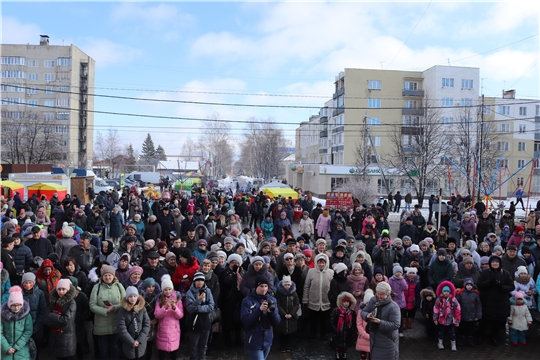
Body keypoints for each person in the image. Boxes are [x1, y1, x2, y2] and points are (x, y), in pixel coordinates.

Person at [90, 264, 126, 360]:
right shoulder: (96, 287)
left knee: (115, 348)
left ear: (113, 276)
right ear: (102, 276)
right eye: (105, 275)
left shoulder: (119, 286)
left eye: (110, 275)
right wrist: (105, 311)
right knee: (104, 350)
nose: (107, 277)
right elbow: (92, 305)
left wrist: (115, 307)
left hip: (116, 323)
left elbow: (125, 302)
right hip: (101, 325)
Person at [240, 275, 281, 360]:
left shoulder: (272, 300)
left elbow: (277, 321)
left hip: (267, 340)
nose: (264, 289)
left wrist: (271, 313)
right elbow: (245, 321)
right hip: (254, 340)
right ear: (256, 287)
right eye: (261, 286)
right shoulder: (247, 301)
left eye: (266, 286)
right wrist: (259, 310)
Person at [476, 255, 514, 345]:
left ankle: (494, 337)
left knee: (497, 322)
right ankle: (480, 335)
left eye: (497, 262)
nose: (495, 264)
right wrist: (489, 282)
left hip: (500, 302)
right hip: (487, 301)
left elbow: (511, 286)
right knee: (485, 321)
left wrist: (501, 286)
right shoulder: (485, 273)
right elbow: (479, 284)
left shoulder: (505, 273)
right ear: (490, 263)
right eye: (493, 262)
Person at [361, 281, 400, 360]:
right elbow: (364, 311)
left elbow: (396, 325)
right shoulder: (373, 300)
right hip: (374, 338)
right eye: (378, 293)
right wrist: (367, 316)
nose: (379, 296)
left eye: (382, 294)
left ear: (387, 293)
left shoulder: (393, 307)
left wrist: (380, 322)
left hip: (388, 340)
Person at [44, 278, 77, 360]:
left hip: (66, 338)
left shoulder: (71, 302)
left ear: (68, 290)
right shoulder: (54, 300)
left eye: (63, 289)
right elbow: (45, 318)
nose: (61, 292)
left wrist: (52, 316)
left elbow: (65, 320)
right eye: (59, 289)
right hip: (55, 337)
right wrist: (54, 319)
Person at [303, 253, 333, 340]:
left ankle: (323, 335)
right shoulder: (311, 271)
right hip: (313, 301)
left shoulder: (331, 272)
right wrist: (305, 299)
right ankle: (313, 334)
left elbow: (333, 287)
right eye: (319, 262)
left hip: (326, 301)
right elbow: (307, 286)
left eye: (323, 262)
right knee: (313, 320)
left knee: (324, 320)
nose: (321, 264)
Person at [185, 271, 214, 360]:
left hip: (205, 322)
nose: (200, 282)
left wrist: (198, 309)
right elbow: (190, 309)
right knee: (194, 346)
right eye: (198, 280)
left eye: (202, 280)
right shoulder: (189, 293)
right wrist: (198, 301)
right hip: (194, 322)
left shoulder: (208, 291)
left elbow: (211, 306)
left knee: (203, 345)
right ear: (194, 281)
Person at [154, 275, 184, 360]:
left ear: (172, 289)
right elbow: (157, 315)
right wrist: (165, 308)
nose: (168, 292)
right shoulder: (159, 300)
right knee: (161, 352)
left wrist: (175, 308)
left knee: (174, 352)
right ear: (162, 290)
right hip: (163, 329)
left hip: (174, 329)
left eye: (169, 289)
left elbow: (180, 315)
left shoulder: (177, 300)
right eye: (165, 290)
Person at [117, 286, 151, 360]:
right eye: (130, 296)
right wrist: (131, 341)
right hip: (128, 344)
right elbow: (121, 328)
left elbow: (146, 324)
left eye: (135, 296)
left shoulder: (142, 309)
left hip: (141, 343)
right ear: (127, 297)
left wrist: (139, 340)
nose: (133, 299)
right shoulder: (122, 311)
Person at [1, 286, 33, 360]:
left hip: (22, 350)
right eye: (13, 305)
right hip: (5, 350)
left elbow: (28, 331)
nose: (16, 308)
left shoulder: (27, 316)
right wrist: (6, 347)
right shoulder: (2, 316)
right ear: (9, 305)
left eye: (19, 305)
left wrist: (17, 346)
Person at [433, 281, 461, 351]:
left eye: (447, 291)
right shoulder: (439, 299)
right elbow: (435, 309)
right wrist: (435, 318)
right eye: (444, 291)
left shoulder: (453, 300)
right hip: (442, 319)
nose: (446, 293)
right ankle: (440, 343)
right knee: (441, 332)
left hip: (451, 319)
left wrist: (457, 319)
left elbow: (457, 309)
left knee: (452, 332)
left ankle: (453, 344)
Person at [275, 275, 299, 353]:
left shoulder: (294, 293)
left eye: (288, 285)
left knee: (289, 333)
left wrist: (291, 313)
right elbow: (278, 305)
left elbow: (296, 304)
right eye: (285, 285)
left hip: (291, 316)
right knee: (282, 333)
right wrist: (284, 314)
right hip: (282, 317)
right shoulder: (279, 294)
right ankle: (282, 345)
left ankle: (287, 345)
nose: (287, 286)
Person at [455, 277, 481, 347]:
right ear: (465, 286)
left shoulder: (475, 295)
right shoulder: (461, 294)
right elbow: (456, 304)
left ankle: (470, 338)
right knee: (462, 328)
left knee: (471, 329)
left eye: (470, 285)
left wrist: (478, 315)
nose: (469, 287)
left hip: (472, 315)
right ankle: (462, 338)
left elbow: (478, 305)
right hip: (463, 315)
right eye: (467, 285)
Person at [330, 291, 357, 360]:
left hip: (347, 331)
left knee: (346, 344)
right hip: (339, 331)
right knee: (338, 343)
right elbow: (333, 321)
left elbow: (353, 322)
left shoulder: (351, 312)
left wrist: (352, 330)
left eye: (347, 302)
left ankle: (345, 353)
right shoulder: (336, 311)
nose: (346, 304)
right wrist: (335, 329)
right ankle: (337, 353)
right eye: (344, 302)